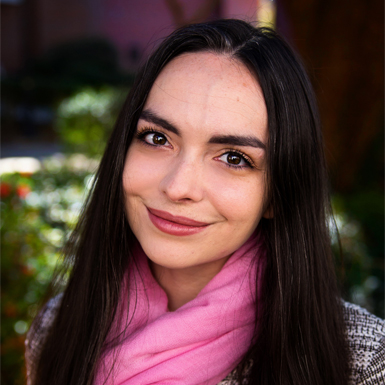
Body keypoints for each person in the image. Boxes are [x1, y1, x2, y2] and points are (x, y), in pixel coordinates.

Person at [25, 19, 385, 385]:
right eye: (157, 138)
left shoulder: (362, 364)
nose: (179, 186)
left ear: (278, 193)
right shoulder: (58, 330)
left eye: (233, 157)